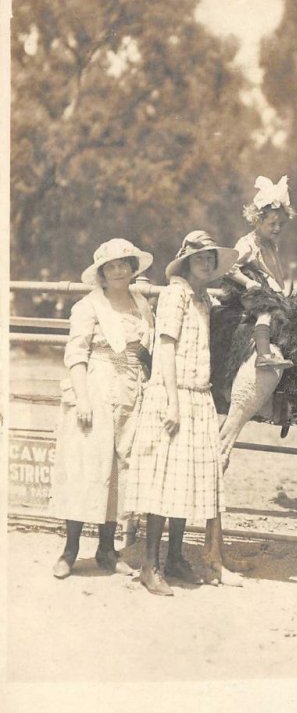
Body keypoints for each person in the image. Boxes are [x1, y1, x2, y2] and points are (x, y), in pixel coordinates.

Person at [125, 231, 239, 596]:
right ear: (186, 261)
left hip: (198, 396)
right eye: (199, 257)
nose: (206, 262)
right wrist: (172, 401)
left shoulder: (203, 298)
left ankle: (175, 557)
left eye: (210, 258)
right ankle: (150, 564)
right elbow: (166, 348)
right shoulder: (175, 294)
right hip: (173, 395)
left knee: (186, 480)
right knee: (164, 479)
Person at [50, 239, 154, 579]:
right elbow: (76, 354)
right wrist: (82, 398)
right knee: (86, 465)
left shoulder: (141, 304)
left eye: (125, 263)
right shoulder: (89, 306)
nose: (120, 270)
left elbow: (147, 352)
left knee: (121, 469)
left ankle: (107, 550)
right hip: (95, 387)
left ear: (133, 267)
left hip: (131, 391)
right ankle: (70, 550)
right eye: (112, 266)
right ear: (102, 274)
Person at [226, 175, 297, 369]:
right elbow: (229, 267)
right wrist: (247, 282)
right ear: (258, 221)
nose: (277, 229)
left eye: (281, 225)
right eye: (272, 224)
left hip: (268, 291)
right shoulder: (248, 244)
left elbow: (275, 272)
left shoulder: (270, 245)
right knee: (265, 313)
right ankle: (263, 355)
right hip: (250, 292)